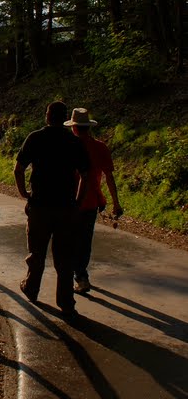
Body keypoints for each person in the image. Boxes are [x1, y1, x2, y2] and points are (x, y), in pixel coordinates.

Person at [14, 100, 90, 317]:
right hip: (66, 207)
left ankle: (31, 288)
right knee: (65, 257)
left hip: (40, 206)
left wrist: (24, 193)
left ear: (47, 116)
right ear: (65, 119)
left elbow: (19, 169)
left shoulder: (35, 138)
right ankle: (65, 301)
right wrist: (78, 201)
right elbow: (86, 175)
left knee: (37, 251)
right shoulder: (74, 142)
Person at [65, 107, 123, 294]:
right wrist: (116, 202)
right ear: (88, 127)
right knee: (84, 240)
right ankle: (80, 275)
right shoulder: (100, 147)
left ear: (73, 128)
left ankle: (78, 276)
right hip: (91, 202)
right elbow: (109, 177)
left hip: (69, 201)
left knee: (69, 240)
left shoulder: (67, 146)